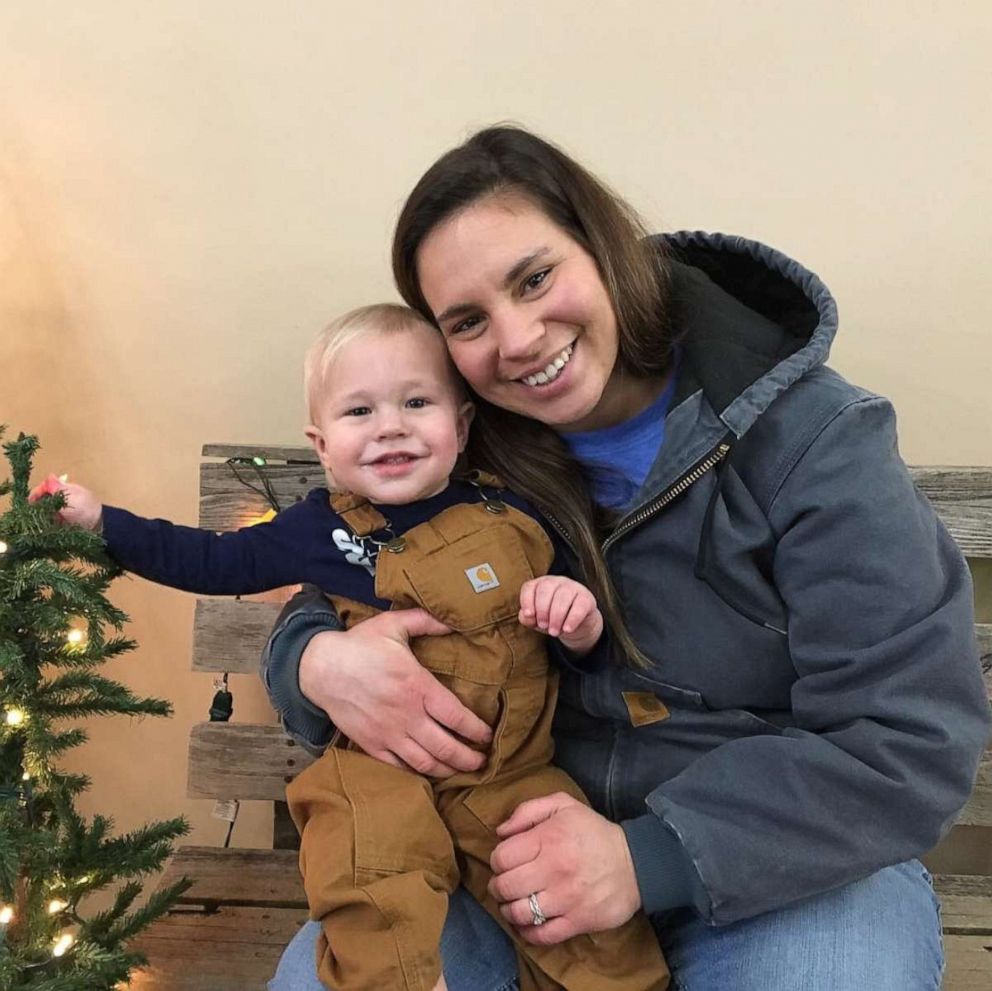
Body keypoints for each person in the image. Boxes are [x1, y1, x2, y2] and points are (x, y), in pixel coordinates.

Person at [262, 125, 991, 991]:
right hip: (499, 853)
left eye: (534, 278)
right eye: (467, 321)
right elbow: (346, 570)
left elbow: (908, 735)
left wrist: (649, 856)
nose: (520, 338)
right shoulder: (462, 441)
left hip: (792, 867)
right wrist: (309, 658)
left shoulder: (816, 440)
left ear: (601, 245)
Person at [31, 303, 669, 991]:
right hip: (377, 767)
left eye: (416, 402)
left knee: (565, 895)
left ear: (459, 425)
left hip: (508, 769)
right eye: (359, 412)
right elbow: (209, 560)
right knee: (365, 861)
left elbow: (580, 649)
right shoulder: (316, 528)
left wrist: (576, 623)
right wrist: (101, 523)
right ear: (323, 443)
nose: (390, 425)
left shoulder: (516, 515)